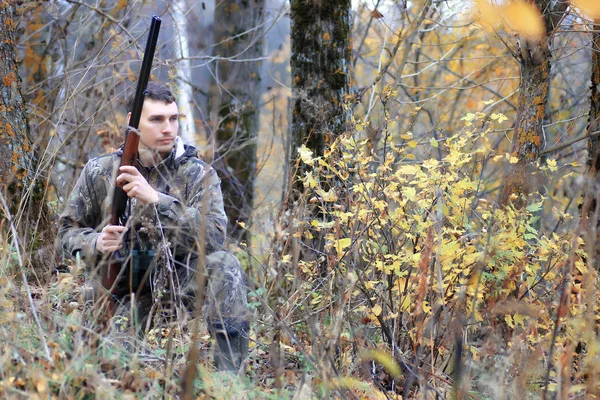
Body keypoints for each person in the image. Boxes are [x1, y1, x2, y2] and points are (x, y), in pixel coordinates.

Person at [58, 82, 249, 372]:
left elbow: (214, 236)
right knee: (113, 365)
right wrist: (95, 242)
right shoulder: (99, 172)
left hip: (179, 284)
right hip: (124, 289)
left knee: (226, 264)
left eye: (173, 119)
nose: (168, 129)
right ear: (133, 123)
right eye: (157, 120)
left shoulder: (197, 174)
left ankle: (230, 379)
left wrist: (158, 200)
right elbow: (65, 233)